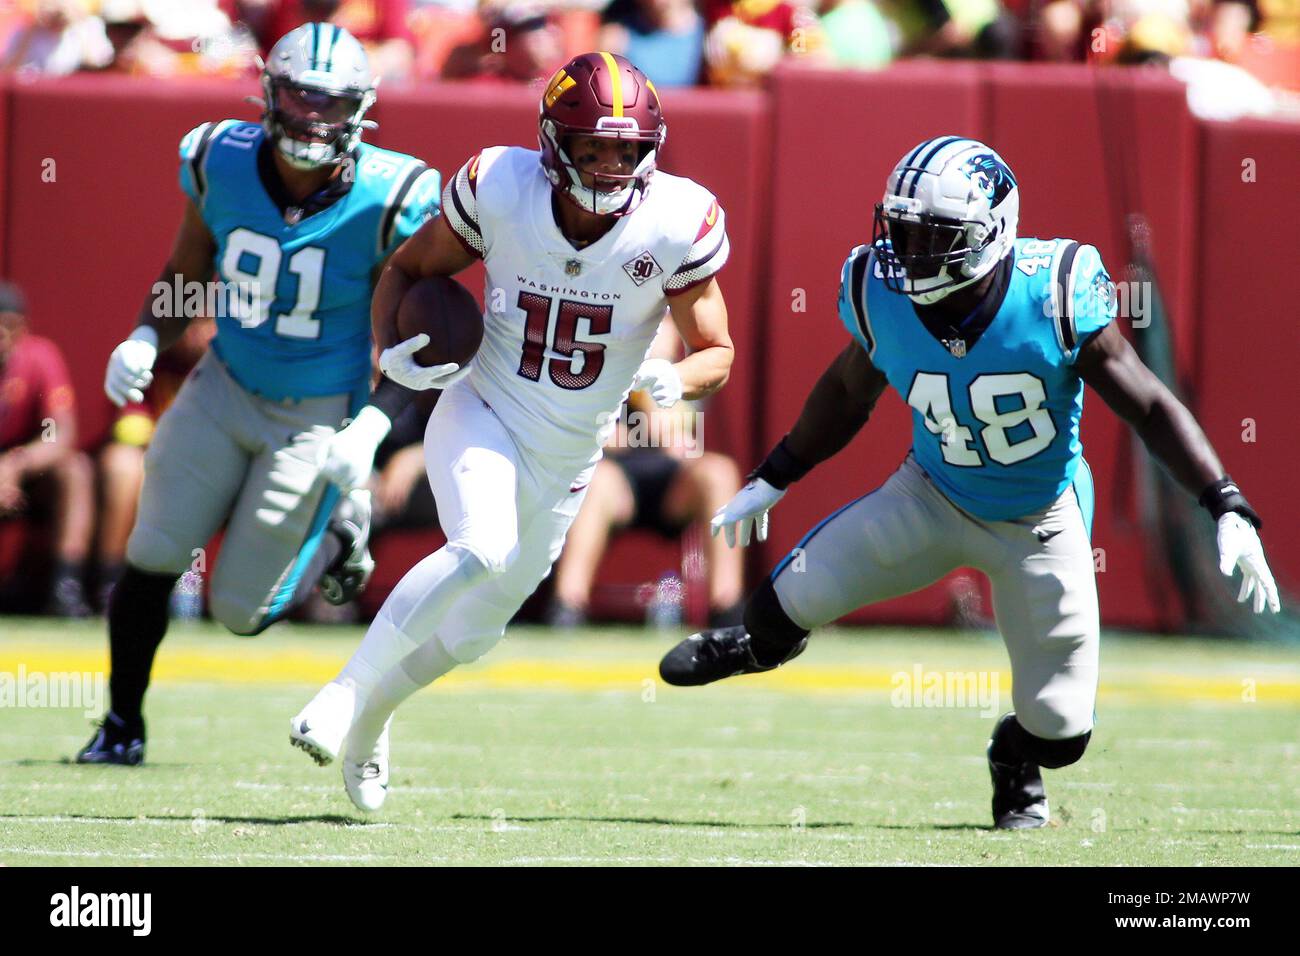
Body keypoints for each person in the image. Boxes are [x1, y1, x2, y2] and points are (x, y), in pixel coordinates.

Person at [659, 137, 1280, 830]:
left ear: (994, 233)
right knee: (780, 606)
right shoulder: (877, 290)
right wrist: (776, 474)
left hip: (1039, 523)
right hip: (929, 495)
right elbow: (846, 391)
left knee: (1062, 732)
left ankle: (1015, 755)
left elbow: (1149, 403)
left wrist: (1224, 500)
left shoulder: (1054, 289)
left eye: (936, 236)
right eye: (903, 230)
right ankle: (755, 648)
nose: (911, 251)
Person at [290, 51, 735, 813]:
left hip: (569, 455)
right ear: (556, 143)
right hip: (483, 410)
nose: (609, 164)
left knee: (472, 637)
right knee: (480, 548)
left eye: (626, 150)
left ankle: (373, 720)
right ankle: (342, 692)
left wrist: (676, 380)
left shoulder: (675, 219)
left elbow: (717, 353)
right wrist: (388, 355)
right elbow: (404, 272)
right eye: (593, 146)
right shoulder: (499, 187)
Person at [75, 23, 442, 766]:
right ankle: (120, 725)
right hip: (225, 384)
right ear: (268, 95)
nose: (312, 118)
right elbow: (187, 269)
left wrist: (370, 426)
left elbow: (416, 332)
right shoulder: (219, 158)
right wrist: (147, 335)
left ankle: (340, 529)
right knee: (151, 551)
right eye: (300, 98)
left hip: (313, 416)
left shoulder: (393, 193)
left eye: (331, 104)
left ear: (362, 111)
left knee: (240, 613)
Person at [549, 318, 744, 627]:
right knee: (596, 482)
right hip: (617, 482)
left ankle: (726, 607)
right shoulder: (595, 369)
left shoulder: (690, 372)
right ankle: (567, 605)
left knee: (719, 473)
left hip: (674, 484)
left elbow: (674, 438)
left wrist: (652, 379)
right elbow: (587, 433)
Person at [0, 280, 94, 617]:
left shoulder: (39, 357)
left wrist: (15, 465)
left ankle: (64, 586)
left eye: (9, 325)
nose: (1, 335)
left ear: (22, 328)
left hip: (24, 474)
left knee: (75, 469)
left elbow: (61, 432)